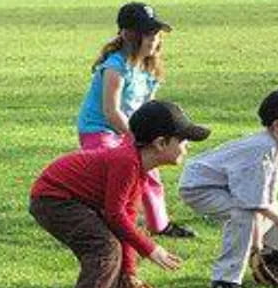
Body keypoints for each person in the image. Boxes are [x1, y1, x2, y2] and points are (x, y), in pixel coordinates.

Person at [30, 100, 210, 288]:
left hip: (67, 199)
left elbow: (126, 221)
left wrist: (130, 274)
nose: (187, 146)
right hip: (53, 199)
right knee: (103, 246)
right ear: (160, 143)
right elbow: (115, 215)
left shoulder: (137, 167)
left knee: (111, 242)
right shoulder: (126, 163)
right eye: (182, 140)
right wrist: (150, 248)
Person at [178, 88, 278, 288]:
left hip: (223, 185)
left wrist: (273, 226)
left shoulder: (277, 151)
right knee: (243, 216)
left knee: (272, 211)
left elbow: (266, 199)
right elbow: (252, 202)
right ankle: (225, 279)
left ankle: (275, 263)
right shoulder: (262, 150)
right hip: (199, 187)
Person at [76, 2, 194, 237]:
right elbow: (111, 111)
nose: (154, 41)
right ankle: (101, 223)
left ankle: (160, 225)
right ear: (128, 35)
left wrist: (151, 138)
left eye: (156, 36)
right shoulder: (115, 66)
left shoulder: (149, 69)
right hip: (99, 130)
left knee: (150, 171)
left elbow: (149, 109)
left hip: (131, 130)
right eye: (148, 35)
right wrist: (137, 138)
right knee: (112, 174)